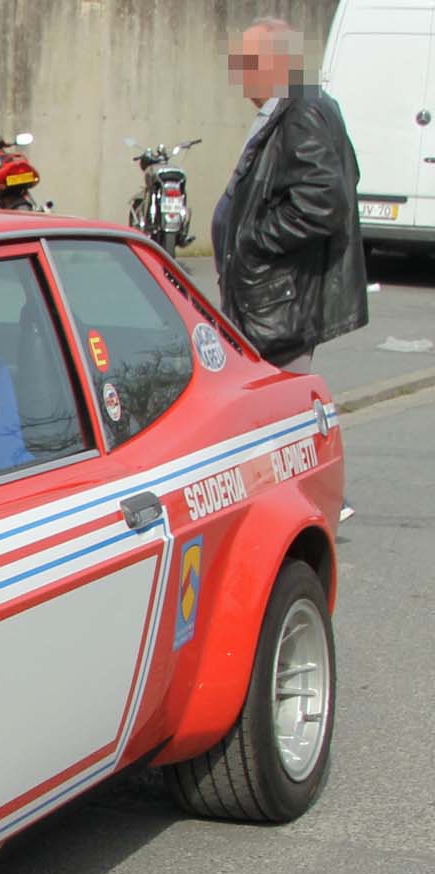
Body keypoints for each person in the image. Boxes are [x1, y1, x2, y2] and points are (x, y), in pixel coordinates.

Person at [212, 16, 366, 519]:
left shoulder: (301, 111)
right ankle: (304, 500)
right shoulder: (294, 107)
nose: (241, 76)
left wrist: (254, 240)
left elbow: (323, 201)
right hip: (272, 293)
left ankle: (308, 503)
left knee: (276, 408)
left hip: (278, 297)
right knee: (279, 407)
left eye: (250, 64)